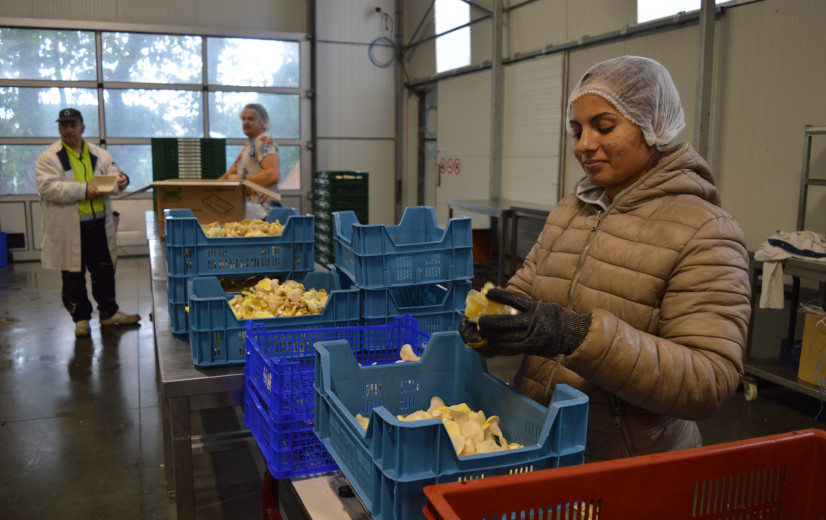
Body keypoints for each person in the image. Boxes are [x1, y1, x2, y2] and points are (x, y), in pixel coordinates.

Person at [459, 56, 751, 461]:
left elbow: (709, 379)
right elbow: (524, 292)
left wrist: (580, 337)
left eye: (604, 127)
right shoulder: (569, 211)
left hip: (622, 463)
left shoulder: (705, 230)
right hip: (535, 440)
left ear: (655, 126)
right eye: (577, 130)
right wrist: (494, 327)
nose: (583, 145)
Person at [35, 108, 140, 337]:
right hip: (69, 227)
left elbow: (113, 170)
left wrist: (122, 179)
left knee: (104, 272)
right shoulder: (49, 157)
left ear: (82, 128)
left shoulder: (99, 154)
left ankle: (108, 313)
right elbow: (48, 187)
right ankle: (81, 319)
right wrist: (83, 191)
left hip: (98, 224)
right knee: (72, 275)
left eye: (73, 125)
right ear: (59, 128)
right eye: (64, 126)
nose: (69, 130)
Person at [218, 103, 281, 219]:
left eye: (251, 119)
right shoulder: (248, 147)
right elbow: (229, 175)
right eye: (243, 119)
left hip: (265, 212)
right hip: (252, 212)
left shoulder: (264, 141)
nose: (245, 122)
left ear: (264, 121)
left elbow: (272, 175)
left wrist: (242, 179)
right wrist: (208, 189)